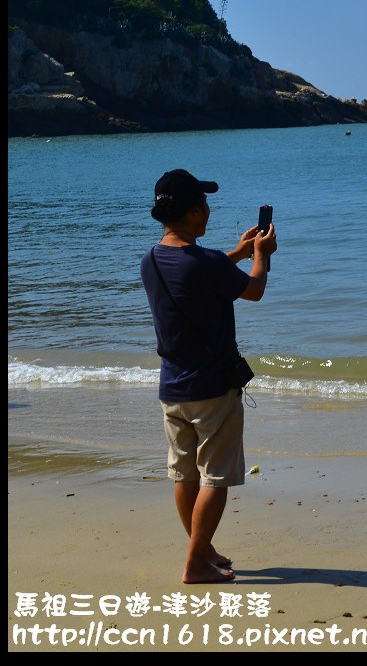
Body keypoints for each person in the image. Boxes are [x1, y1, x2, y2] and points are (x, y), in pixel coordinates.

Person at [139, 169, 277, 583]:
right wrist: (261, 255)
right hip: (213, 390)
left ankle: (204, 551)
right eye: (205, 203)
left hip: (173, 389)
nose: (209, 210)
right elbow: (253, 290)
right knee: (215, 479)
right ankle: (195, 564)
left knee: (184, 475)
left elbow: (196, 277)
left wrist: (235, 253)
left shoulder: (151, 261)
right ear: (195, 211)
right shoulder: (207, 262)